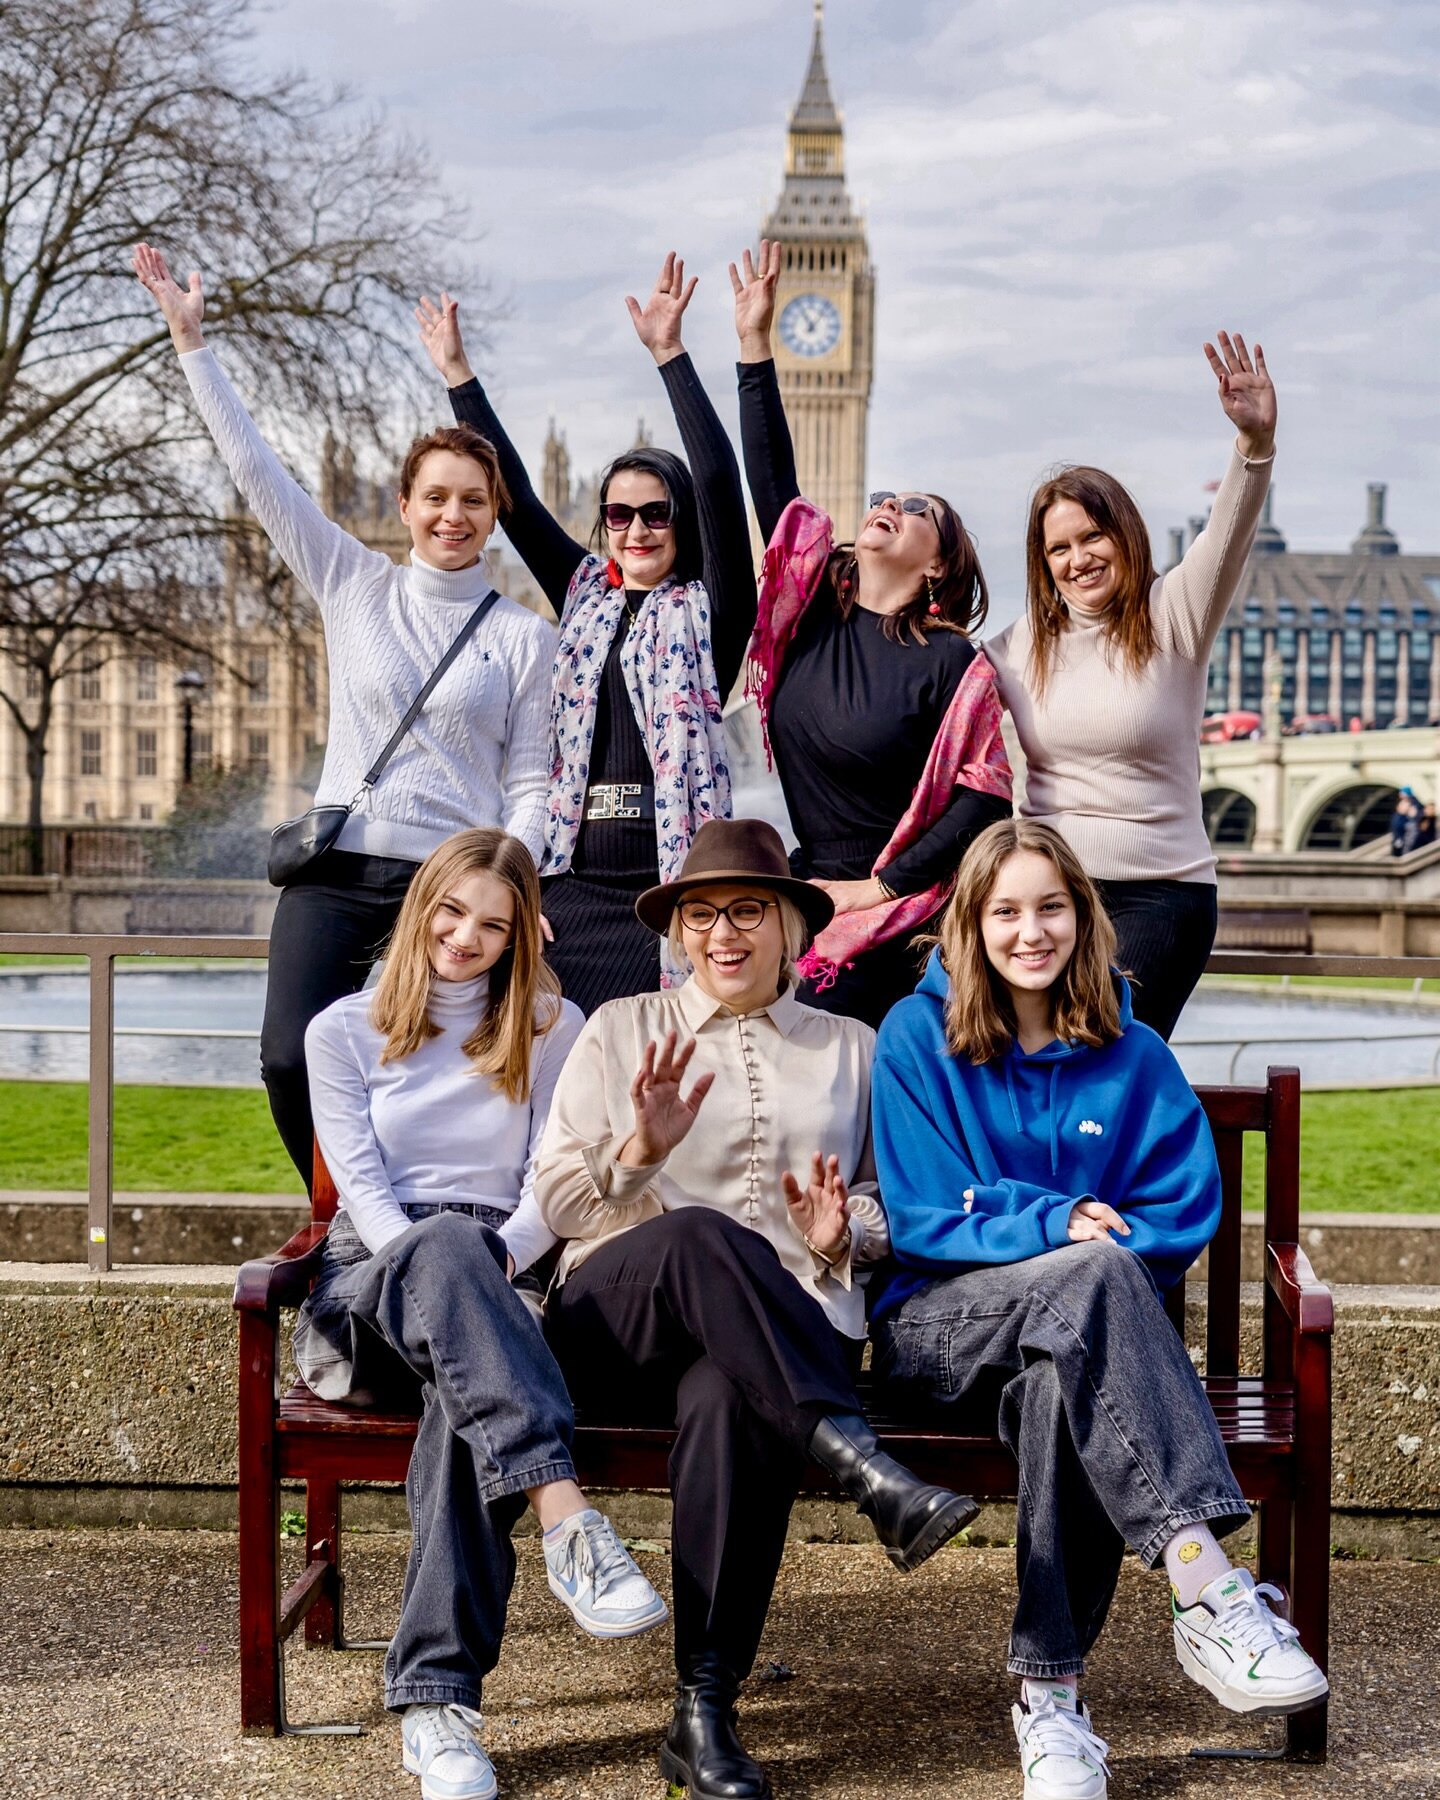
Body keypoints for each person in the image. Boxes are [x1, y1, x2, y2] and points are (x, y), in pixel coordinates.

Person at [869, 819, 1328, 1800]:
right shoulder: (918, 1036)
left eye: (1051, 907)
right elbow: (920, 1218)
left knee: (1063, 1381)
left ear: (1083, 916)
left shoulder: (1135, 1055)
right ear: (970, 924)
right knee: (1095, 1275)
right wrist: (1059, 1221)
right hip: (939, 1334)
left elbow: (1184, 1210)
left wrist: (1062, 1239)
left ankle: (1051, 1705)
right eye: (1006, 912)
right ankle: (1208, 1587)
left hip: (1077, 1354)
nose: (1031, 931)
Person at [535, 818, 979, 1800]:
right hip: (623, 1319)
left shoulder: (852, 1048)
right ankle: (859, 1465)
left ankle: (703, 1712)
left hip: (780, 1346)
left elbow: (890, 1207)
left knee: (733, 1399)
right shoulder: (622, 1030)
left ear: (791, 928)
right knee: (704, 1235)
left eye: (746, 911)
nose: (722, 934)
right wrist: (640, 1153)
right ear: (680, 931)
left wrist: (839, 1234)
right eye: (701, 915)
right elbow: (561, 1203)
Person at [132, 243, 554, 1184]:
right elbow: (257, 475)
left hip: (453, 886)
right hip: (339, 866)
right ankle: (339, 1218)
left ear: (496, 516)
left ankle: (430, 1224)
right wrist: (190, 341)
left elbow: (531, 781)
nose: (454, 516)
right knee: (290, 1053)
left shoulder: (526, 638)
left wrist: (513, 881)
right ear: (403, 506)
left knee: (443, 1071)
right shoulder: (350, 582)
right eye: (436, 497)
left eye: (474, 502)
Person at [295, 827, 666, 1800]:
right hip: (372, 1285)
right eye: (451, 912)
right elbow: (366, 1201)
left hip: (505, 1271)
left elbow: (555, 1172)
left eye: (492, 926)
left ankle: (437, 1709)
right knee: (451, 1265)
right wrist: (467, 1255)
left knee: (466, 1408)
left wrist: (502, 1255)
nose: (464, 938)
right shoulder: (339, 1029)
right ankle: (566, 1513)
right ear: (423, 906)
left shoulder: (554, 1024)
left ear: (519, 937)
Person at [415, 254, 754, 1013]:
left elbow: (724, 488)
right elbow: (517, 503)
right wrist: (459, 374)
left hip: (668, 898)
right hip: (567, 891)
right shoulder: (583, 596)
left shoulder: (713, 612)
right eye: (619, 514)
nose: (635, 529)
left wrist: (671, 356)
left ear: (683, 521)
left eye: (656, 512)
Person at [730, 239, 1013, 1031]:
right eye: (888, 494)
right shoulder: (810, 613)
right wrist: (755, 347)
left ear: (939, 565)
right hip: (805, 909)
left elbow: (984, 803)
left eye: (920, 509)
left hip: (909, 932)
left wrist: (880, 890)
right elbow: (773, 487)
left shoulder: (954, 661)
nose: (892, 502)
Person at [985, 332, 1279, 1041]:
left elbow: (1229, 531)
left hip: (1162, 895)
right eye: (1059, 547)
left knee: (1095, 1050)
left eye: (1093, 537)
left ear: (1125, 536)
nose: (1079, 559)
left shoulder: (1173, 615)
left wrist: (1255, 441)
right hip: (1050, 897)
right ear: (1042, 561)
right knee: (1007, 1056)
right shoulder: (1013, 650)